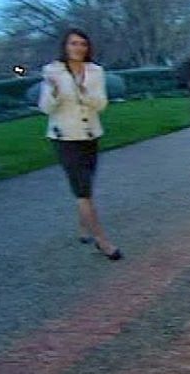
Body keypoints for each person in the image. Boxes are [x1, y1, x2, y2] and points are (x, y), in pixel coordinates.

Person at [38, 28, 122, 261]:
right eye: (74, 44)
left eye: (82, 44)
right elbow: (45, 107)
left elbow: (101, 104)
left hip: (90, 135)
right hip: (64, 137)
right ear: (65, 46)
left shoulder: (95, 71)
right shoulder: (52, 71)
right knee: (83, 190)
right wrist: (54, 92)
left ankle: (83, 228)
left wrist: (83, 91)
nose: (78, 48)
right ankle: (103, 241)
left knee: (86, 187)